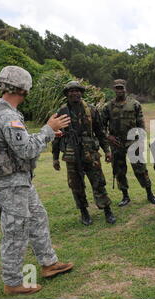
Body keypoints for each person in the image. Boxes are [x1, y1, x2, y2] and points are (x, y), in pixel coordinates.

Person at [0, 65, 74, 295]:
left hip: (19, 181)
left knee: (37, 217)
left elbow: (18, 145)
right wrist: (48, 130)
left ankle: (48, 263)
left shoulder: (4, 112)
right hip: (11, 184)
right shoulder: (7, 115)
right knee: (16, 231)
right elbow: (25, 150)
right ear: (23, 89)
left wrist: (48, 133)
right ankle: (13, 282)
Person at [52, 81, 116, 226]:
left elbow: (100, 132)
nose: (75, 93)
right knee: (76, 185)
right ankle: (84, 212)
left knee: (98, 181)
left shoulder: (92, 110)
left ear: (81, 93)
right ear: (67, 94)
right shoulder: (61, 112)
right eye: (71, 91)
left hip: (90, 153)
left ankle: (107, 210)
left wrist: (107, 150)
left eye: (77, 90)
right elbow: (56, 135)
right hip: (72, 154)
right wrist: (55, 158)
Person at [101, 79, 155, 207]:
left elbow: (141, 123)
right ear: (114, 89)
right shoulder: (108, 106)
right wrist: (108, 136)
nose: (119, 90)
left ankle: (150, 193)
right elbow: (101, 126)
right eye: (117, 88)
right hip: (116, 143)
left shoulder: (135, 104)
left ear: (125, 89)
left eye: (121, 88)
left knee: (141, 168)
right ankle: (125, 196)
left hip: (133, 142)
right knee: (119, 170)